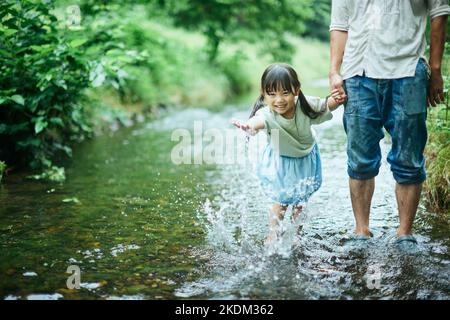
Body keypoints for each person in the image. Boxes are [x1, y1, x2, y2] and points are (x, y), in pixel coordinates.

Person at [329, 0, 449, 243]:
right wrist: (334, 70)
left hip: (408, 71)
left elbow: (439, 13)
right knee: (360, 159)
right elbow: (340, 24)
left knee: (409, 158)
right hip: (357, 73)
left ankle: (405, 233)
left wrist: (435, 70)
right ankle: (361, 230)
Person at [231, 63, 342, 243]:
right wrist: (248, 126)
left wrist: (337, 99)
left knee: (300, 200)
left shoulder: (305, 105)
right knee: (282, 199)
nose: (279, 100)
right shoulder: (266, 113)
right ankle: (273, 235)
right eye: (272, 94)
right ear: (264, 94)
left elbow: (325, 105)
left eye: (285, 93)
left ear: (296, 91)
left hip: (306, 157)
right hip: (281, 159)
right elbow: (257, 121)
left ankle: (296, 235)